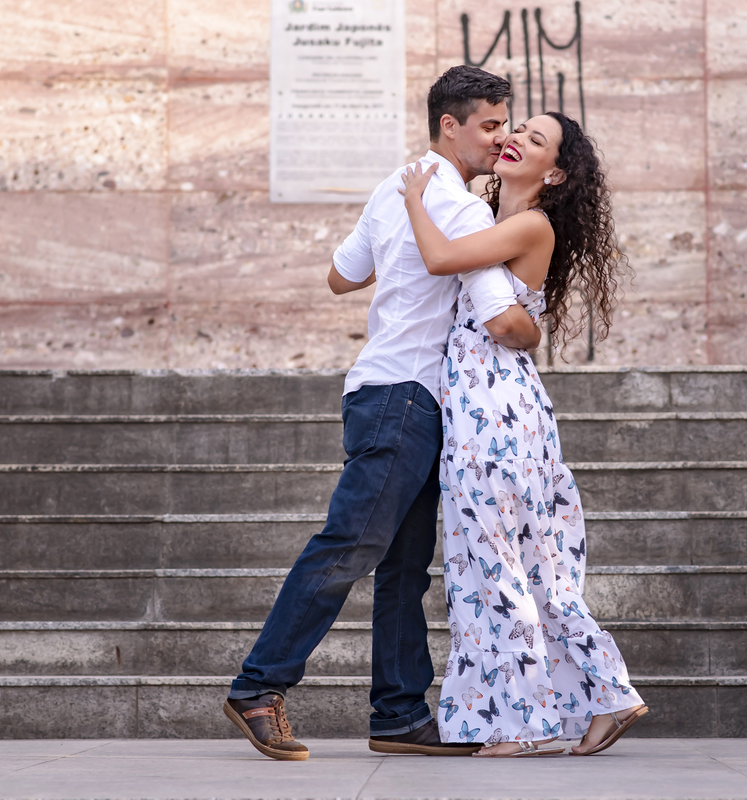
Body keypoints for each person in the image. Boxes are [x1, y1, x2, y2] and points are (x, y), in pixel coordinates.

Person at [222, 65, 542, 761]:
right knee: (351, 545)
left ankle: (398, 715)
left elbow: (342, 276)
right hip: (406, 397)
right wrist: (535, 326)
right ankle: (258, 685)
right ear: (448, 125)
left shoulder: (395, 188)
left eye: (503, 126)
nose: (498, 139)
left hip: (384, 392)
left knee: (403, 567)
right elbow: (499, 318)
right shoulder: (460, 210)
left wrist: (396, 249)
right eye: (489, 125)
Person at [397, 111, 648, 757]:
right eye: (517, 131)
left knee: (497, 569)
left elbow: (440, 258)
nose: (515, 141)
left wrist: (415, 198)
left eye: (534, 140)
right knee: (519, 570)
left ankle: (524, 725)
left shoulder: (529, 224)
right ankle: (605, 696)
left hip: (495, 413)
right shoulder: (499, 221)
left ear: (557, 172)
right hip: (492, 408)